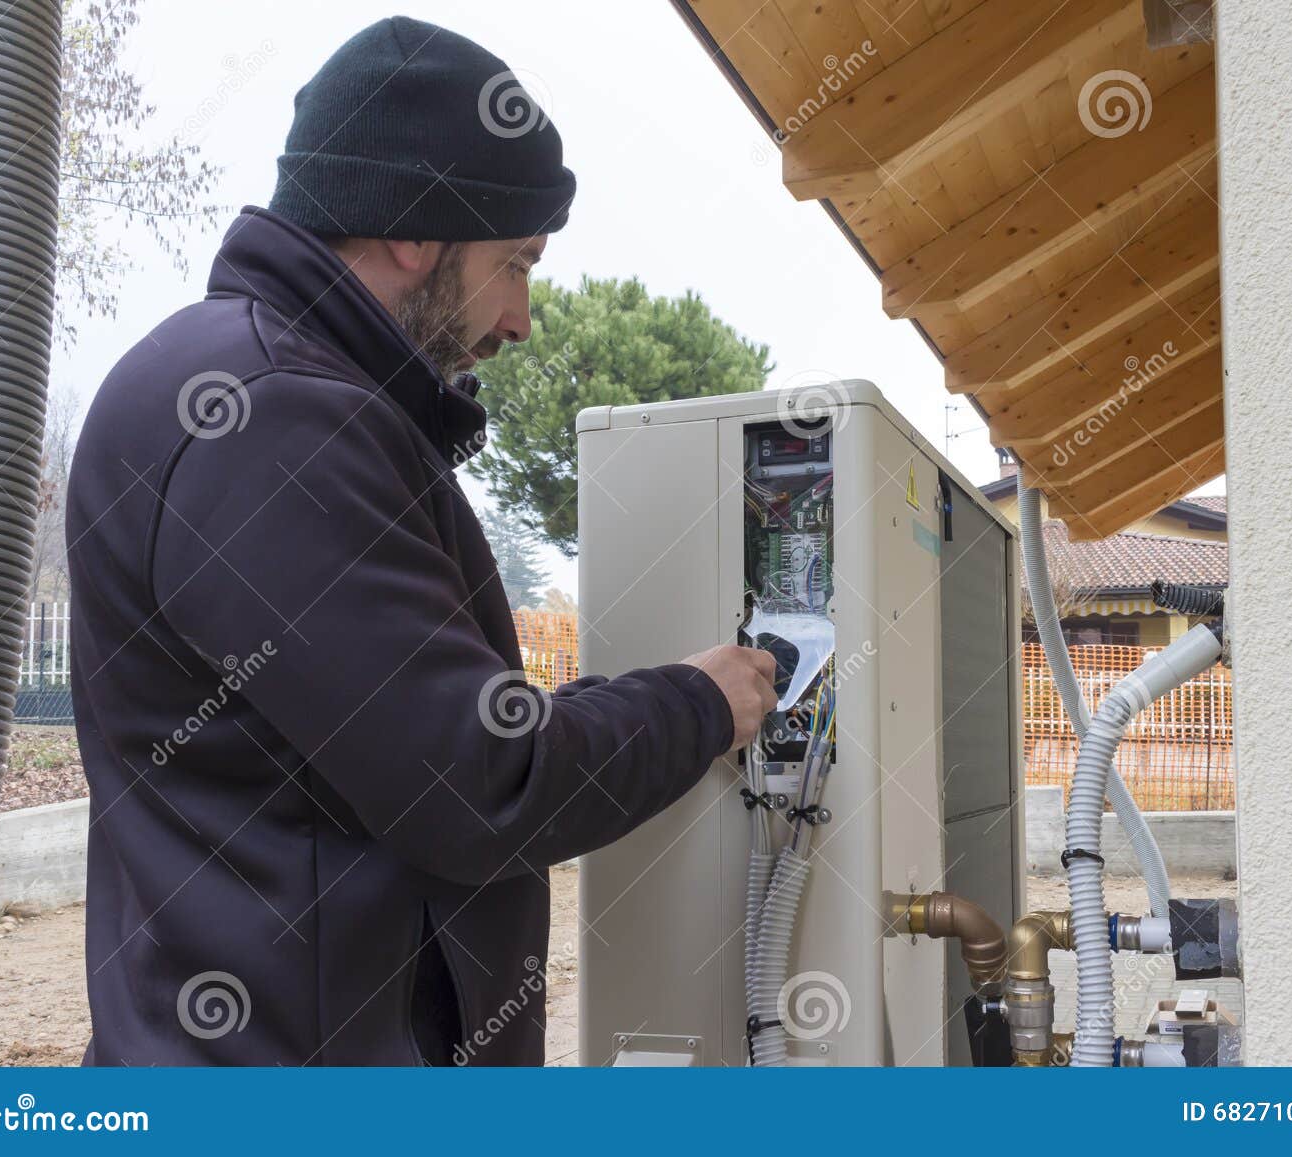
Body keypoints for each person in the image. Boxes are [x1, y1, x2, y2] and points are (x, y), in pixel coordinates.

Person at [65, 15, 775, 1065]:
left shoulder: (259, 388)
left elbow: (395, 740)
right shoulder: (272, 419)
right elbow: (479, 783)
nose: (522, 318)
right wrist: (699, 704)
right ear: (414, 230)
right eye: (516, 262)